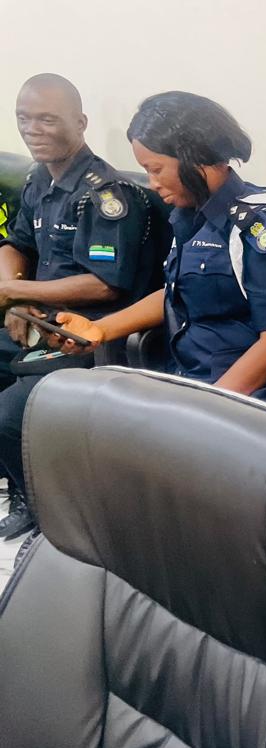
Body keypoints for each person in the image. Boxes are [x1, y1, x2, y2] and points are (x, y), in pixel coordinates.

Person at [57, 91, 266, 411]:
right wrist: (100, 329)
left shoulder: (264, 226)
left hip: (247, 398)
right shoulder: (190, 216)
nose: (152, 183)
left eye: (156, 169)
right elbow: (177, 293)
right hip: (187, 381)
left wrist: (200, 409)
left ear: (193, 158)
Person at [0, 74, 157, 539]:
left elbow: (105, 285)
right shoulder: (38, 180)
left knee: (10, 413)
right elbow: (16, 243)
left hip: (87, 336)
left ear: (81, 123)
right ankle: (17, 480)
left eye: (47, 120)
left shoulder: (106, 195)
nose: (33, 130)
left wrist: (18, 295)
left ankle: (43, 509)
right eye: (24, 119)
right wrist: (13, 291)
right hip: (35, 321)